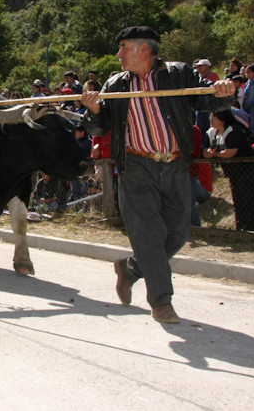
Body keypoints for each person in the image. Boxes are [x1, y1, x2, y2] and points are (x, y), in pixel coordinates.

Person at [81, 25, 236, 324]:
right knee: (149, 234)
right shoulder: (115, 85)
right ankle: (161, 301)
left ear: (145, 50)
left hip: (176, 164)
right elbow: (99, 129)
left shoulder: (179, 74)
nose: (119, 54)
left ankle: (130, 269)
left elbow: (207, 99)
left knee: (177, 233)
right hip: (136, 166)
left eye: (124, 47)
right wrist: (95, 112)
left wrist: (224, 94)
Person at [204, 110, 254, 232]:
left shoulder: (233, 130)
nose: (211, 118)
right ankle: (241, 229)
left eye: (214, 116)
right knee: (238, 201)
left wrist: (215, 154)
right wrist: (209, 153)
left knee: (248, 200)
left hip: (247, 171)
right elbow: (207, 150)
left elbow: (230, 153)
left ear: (223, 119)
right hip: (234, 173)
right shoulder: (214, 133)